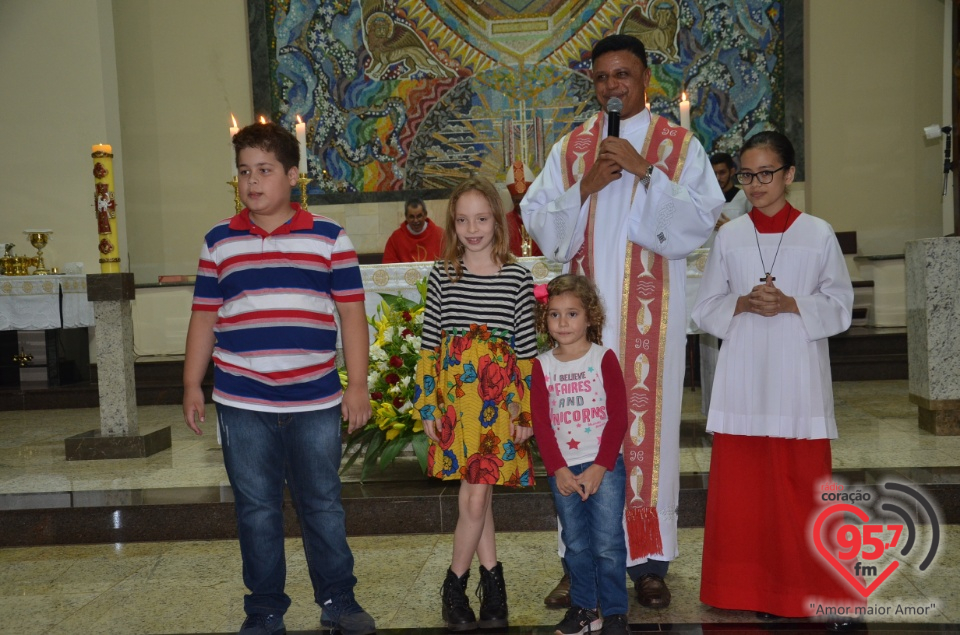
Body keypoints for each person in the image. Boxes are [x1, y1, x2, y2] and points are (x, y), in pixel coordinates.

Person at [521, 34, 724, 609]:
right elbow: (540, 220)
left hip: (648, 325)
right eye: (603, 76)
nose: (613, 86)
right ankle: (577, 561)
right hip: (580, 332)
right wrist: (584, 187)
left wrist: (646, 173)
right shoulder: (572, 147)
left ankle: (648, 564)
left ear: (644, 80)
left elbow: (701, 220)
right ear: (594, 82)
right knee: (577, 431)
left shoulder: (677, 146)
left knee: (646, 437)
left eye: (624, 75)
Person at [182, 121, 375, 635]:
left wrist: (356, 385)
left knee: (322, 505)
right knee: (257, 511)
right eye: (245, 171)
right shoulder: (219, 241)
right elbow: (204, 317)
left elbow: (351, 316)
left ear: (293, 175)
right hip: (243, 398)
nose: (253, 182)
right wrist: (190, 385)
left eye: (265, 170)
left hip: (314, 398)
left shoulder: (329, 237)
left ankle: (339, 600)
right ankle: (264, 608)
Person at [692, 131, 861, 624]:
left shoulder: (817, 233)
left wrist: (792, 303)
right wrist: (742, 301)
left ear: (789, 174)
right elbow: (705, 307)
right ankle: (746, 587)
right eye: (747, 174)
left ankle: (816, 587)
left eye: (767, 173)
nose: (757, 183)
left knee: (802, 485)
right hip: (744, 374)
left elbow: (840, 305)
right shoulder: (730, 236)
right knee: (746, 494)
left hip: (797, 376)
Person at [413, 176, 538, 632]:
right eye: (463, 220)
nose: (472, 229)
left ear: (497, 220)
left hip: (497, 404)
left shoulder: (518, 277)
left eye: (481, 218)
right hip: (455, 402)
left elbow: (525, 351)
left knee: (476, 494)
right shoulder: (445, 274)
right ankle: (494, 585)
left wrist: (524, 412)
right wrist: (429, 405)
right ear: (452, 223)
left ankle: (455, 583)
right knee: (477, 493)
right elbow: (430, 346)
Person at [531, 275, 629, 635]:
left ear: (590, 317)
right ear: (545, 321)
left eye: (572, 314)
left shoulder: (603, 358)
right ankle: (585, 611)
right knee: (574, 543)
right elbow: (541, 423)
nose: (563, 322)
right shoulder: (543, 365)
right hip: (563, 471)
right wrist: (557, 469)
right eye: (554, 315)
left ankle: (616, 612)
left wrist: (601, 466)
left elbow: (619, 416)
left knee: (606, 543)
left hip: (604, 466)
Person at [382, 197, 445, 263]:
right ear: (406, 216)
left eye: (419, 216)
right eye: (412, 217)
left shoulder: (441, 235)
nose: (416, 220)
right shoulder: (396, 238)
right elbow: (389, 266)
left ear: (425, 215)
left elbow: (449, 262)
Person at [504, 161, 543, 257]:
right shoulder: (504, 222)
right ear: (512, 200)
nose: (521, 205)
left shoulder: (544, 219)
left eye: (524, 200)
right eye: (517, 201)